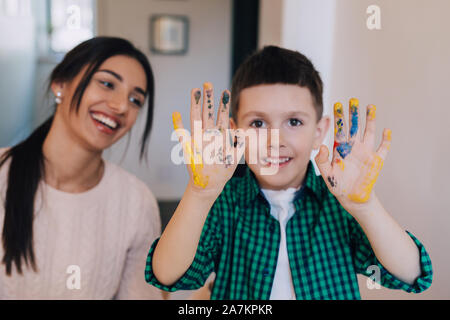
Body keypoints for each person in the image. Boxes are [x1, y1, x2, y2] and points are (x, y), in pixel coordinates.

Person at [144, 46, 433, 299]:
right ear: (234, 132)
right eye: (258, 124)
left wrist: (365, 206)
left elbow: (410, 274)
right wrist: (200, 194)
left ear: (319, 131)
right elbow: (169, 275)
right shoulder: (225, 201)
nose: (274, 140)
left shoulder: (338, 203)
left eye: (293, 122)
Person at [0, 37, 162, 299]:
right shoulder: (3, 172)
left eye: (135, 100)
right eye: (107, 84)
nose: (121, 106)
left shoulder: (137, 203)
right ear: (60, 84)